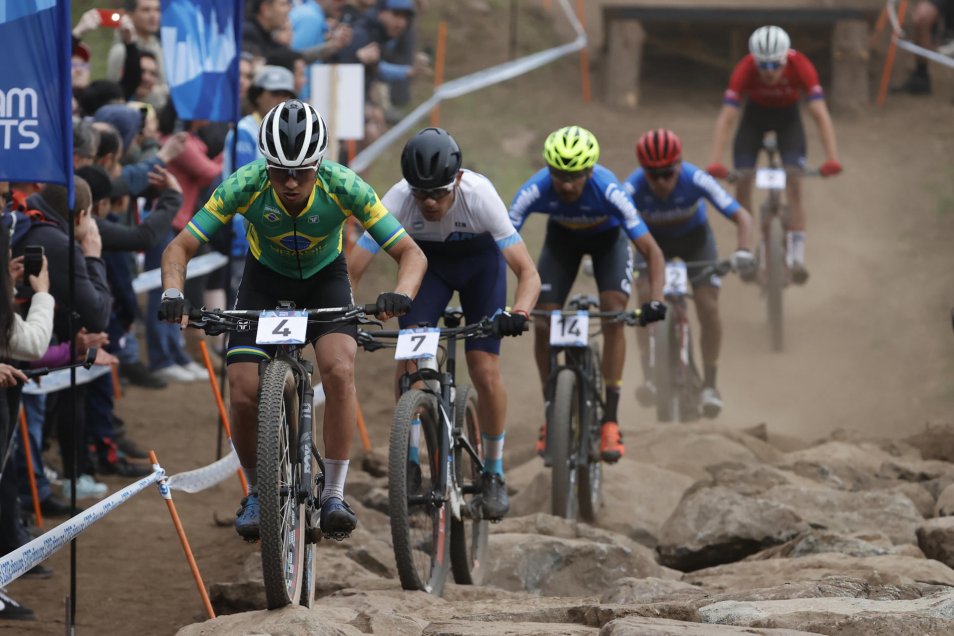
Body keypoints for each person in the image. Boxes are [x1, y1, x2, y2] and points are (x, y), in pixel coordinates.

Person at [159, 99, 426, 540]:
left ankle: (335, 494)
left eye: (302, 171)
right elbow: (178, 248)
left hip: (326, 281)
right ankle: (258, 492)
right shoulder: (245, 184)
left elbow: (410, 253)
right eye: (280, 170)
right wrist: (173, 293)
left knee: (339, 371)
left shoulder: (344, 185)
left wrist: (401, 294)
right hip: (264, 283)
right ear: (265, 163)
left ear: (320, 162)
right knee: (243, 390)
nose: (289, 181)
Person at [348, 128, 540, 520]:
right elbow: (352, 269)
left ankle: (493, 471)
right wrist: (345, 316)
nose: (430, 203)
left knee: (484, 368)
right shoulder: (398, 198)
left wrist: (518, 313)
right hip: (427, 270)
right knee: (410, 361)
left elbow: (528, 272)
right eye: (421, 194)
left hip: (479, 272)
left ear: (457, 180)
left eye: (438, 192)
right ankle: (411, 460)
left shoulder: (480, 196)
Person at [509, 125, 666, 463]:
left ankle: (610, 419)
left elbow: (652, 251)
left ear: (590, 171)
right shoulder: (534, 189)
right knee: (542, 319)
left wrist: (655, 301)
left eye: (575, 176)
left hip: (608, 242)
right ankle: (553, 409)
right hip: (561, 242)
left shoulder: (609, 189)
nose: (566, 184)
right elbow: (501, 239)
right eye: (559, 175)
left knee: (613, 312)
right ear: (548, 170)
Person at [623, 129, 755, 417]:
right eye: (652, 174)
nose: (660, 182)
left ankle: (710, 385)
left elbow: (742, 216)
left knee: (708, 306)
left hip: (696, 243)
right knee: (645, 299)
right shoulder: (631, 188)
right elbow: (612, 227)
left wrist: (744, 250)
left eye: (667, 173)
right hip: (653, 245)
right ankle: (649, 377)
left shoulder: (695, 179)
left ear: (679, 165)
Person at [707, 25, 842, 285]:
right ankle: (745, 248)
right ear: (754, 61)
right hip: (753, 121)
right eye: (763, 66)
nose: (769, 72)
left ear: (786, 58)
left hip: (788, 121)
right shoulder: (744, 69)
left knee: (794, 180)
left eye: (775, 65)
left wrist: (832, 158)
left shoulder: (801, 66)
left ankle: (797, 255)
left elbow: (819, 114)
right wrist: (715, 162)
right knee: (743, 179)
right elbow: (727, 118)